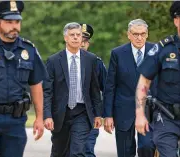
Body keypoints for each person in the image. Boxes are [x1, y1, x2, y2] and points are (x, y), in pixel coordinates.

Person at [0, 1, 46, 157]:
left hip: (16, 121)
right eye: (9, 22)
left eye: (17, 22)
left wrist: (39, 117)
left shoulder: (28, 50)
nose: (14, 26)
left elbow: (36, 84)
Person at [43, 22, 102, 157]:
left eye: (78, 35)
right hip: (60, 113)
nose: (76, 38)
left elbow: (94, 88)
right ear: (65, 38)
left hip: (82, 112)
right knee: (59, 152)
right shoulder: (53, 60)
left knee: (77, 151)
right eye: (72, 35)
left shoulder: (90, 59)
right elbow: (47, 91)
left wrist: (98, 113)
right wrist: (47, 115)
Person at [103, 19, 156, 157]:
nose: (139, 37)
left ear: (147, 34)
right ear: (129, 34)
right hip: (123, 111)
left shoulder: (156, 51)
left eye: (142, 34)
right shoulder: (117, 53)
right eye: (135, 34)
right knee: (125, 152)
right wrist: (108, 115)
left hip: (149, 111)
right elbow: (110, 86)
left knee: (147, 147)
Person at [135, 2, 180, 157]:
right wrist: (140, 114)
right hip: (167, 117)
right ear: (176, 21)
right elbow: (144, 82)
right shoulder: (163, 49)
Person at [80, 23, 107, 157]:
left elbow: (107, 89)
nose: (82, 44)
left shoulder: (96, 63)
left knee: (86, 150)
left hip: (90, 116)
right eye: (80, 39)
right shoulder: (59, 61)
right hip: (66, 116)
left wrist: (107, 114)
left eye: (85, 41)